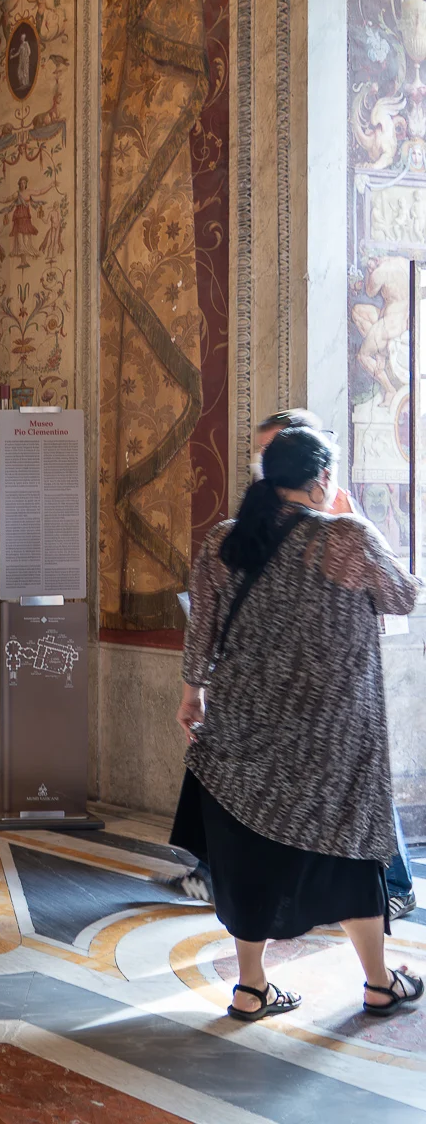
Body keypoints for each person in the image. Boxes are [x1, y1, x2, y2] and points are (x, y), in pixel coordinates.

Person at [174, 426, 422, 1021]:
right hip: (333, 739)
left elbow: (201, 628)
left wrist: (191, 697)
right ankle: (378, 982)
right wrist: (350, 516)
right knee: (349, 853)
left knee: (248, 856)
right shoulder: (347, 540)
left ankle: (251, 988)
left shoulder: (224, 541)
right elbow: (405, 596)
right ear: (322, 479)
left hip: (242, 729)